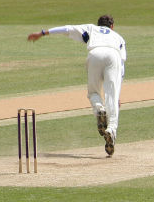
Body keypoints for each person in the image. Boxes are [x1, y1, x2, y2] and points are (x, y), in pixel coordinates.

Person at [27, 14, 126, 156]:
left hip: (95, 53)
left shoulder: (91, 29)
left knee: (93, 93)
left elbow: (67, 29)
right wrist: (118, 94)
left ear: (99, 25)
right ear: (112, 26)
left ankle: (99, 110)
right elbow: (121, 67)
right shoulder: (118, 37)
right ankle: (111, 129)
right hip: (114, 56)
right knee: (112, 97)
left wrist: (43, 33)